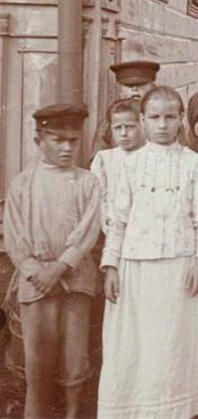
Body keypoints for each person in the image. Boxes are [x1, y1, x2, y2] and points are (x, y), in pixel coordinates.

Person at [98, 86, 198, 419]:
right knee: (134, 344)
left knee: (173, 344)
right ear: (142, 120)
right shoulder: (130, 165)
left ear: (181, 121)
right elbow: (117, 220)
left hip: (179, 268)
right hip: (136, 268)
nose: (162, 124)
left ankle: (173, 411)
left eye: (170, 117)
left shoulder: (194, 165)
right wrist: (111, 266)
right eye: (154, 117)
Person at [4, 103, 101, 419]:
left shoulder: (88, 182)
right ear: (38, 140)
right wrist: (36, 272)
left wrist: (61, 267)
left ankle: (73, 414)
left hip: (75, 278)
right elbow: (15, 238)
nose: (66, 147)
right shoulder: (22, 185)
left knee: (75, 359)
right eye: (58, 140)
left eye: (73, 140)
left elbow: (89, 229)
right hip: (36, 282)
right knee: (38, 363)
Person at [90, 99, 144, 235]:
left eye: (130, 127)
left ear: (142, 125)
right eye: (118, 128)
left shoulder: (153, 156)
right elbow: (101, 199)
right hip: (114, 231)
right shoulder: (104, 159)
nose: (124, 133)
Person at [90, 59, 159, 159]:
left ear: (153, 87)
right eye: (128, 86)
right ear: (120, 91)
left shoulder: (164, 119)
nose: (134, 89)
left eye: (141, 84)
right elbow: (97, 159)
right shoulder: (109, 123)